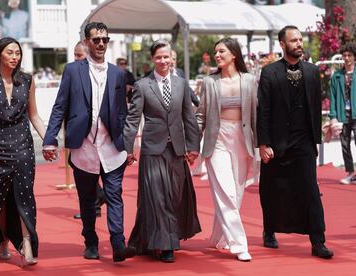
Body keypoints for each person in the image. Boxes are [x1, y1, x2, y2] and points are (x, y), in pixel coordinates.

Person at [42, 22, 135, 262]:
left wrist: (128, 143)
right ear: (86, 42)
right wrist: (50, 139)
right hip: (83, 147)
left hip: (112, 147)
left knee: (114, 195)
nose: (102, 43)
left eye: (105, 39)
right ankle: (91, 241)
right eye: (96, 39)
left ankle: (118, 244)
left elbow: (122, 111)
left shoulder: (118, 73)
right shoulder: (73, 70)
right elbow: (60, 105)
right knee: (87, 199)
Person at [257, 25, 333, 259]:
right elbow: (264, 110)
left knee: (311, 190)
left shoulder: (311, 72)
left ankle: (317, 240)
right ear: (282, 44)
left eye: (300, 40)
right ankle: (269, 230)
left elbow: (315, 109)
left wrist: (315, 143)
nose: (299, 44)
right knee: (271, 190)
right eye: (294, 40)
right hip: (277, 143)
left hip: (303, 143)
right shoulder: (269, 73)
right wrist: (263, 143)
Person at [124, 40, 201, 263]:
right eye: (159, 57)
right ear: (152, 59)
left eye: (166, 57)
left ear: (171, 58)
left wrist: (193, 147)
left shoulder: (181, 84)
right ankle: (166, 245)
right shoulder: (142, 85)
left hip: (176, 149)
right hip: (152, 149)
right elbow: (133, 119)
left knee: (175, 196)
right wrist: (129, 148)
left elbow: (189, 117)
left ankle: (149, 238)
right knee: (157, 197)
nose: (163, 61)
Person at [0, 37, 46, 266]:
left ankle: (26, 244)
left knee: (24, 197)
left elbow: (34, 114)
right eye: (10, 52)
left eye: (18, 53)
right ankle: (4, 240)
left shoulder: (27, 80)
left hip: (23, 146)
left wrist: (49, 140)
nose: (15, 57)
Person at [196, 38, 258, 262]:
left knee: (237, 193)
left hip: (242, 140)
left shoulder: (250, 81)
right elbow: (201, 114)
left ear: (234, 54)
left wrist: (264, 145)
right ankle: (239, 244)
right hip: (217, 139)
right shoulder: (210, 82)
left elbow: (256, 115)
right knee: (226, 191)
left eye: (221, 51)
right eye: (215, 52)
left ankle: (217, 236)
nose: (217, 55)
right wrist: (194, 144)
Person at [72, 41, 106, 220]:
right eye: (75, 55)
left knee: (94, 170)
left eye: (79, 55)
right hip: (78, 134)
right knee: (81, 167)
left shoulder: (98, 74)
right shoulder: (72, 73)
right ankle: (96, 203)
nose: (76, 58)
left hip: (98, 134)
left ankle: (99, 198)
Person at [329, 43, 356, 185]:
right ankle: (351, 173)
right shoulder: (337, 76)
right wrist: (333, 116)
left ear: (354, 57)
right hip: (342, 115)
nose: (346, 58)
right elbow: (332, 96)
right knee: (345, 145)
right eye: (344, 55)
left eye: (349, 55)